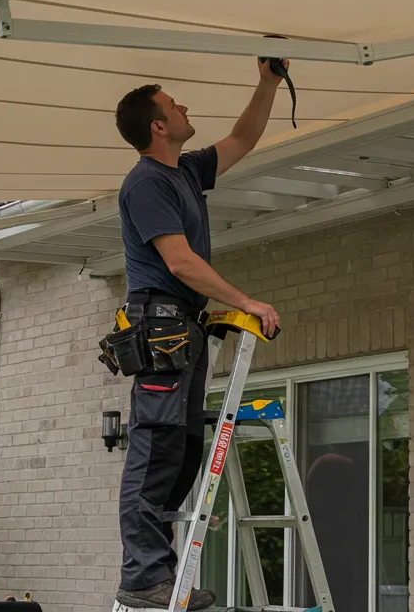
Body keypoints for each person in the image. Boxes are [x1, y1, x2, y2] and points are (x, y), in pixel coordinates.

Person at [113, 58, 286, 611]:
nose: (184, 107)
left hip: (181, 328)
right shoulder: (145, 183)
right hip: (160, 322)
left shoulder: (184, 171)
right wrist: (246, 301)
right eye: (173, 104)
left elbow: (242, 138)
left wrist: (268, 82)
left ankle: (159, 573)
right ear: (157, 126)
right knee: (154, 450)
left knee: (184, 452)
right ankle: (143, 580)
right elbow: (181, 262)